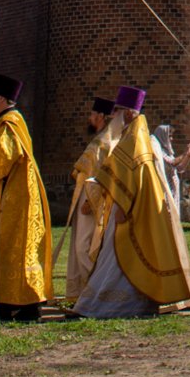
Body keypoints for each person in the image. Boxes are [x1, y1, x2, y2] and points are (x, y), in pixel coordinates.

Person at [74, 85, 190, 318]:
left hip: (128, 208)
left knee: (119, 257)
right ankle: (100, 303)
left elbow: (132, 176)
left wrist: (124, 207)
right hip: (126, 206)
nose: (113, 117)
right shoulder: (132, 136)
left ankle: (108, 305)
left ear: (128, 113)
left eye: (117, 112)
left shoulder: (135, 139)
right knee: (115, 256)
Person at [0, 73, 53, 320]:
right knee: (11, 253)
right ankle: (11, 303)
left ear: (2, 98)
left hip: (12, 201)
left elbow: (1, 160)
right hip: (10, 198)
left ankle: (10, 305)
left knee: (10, 252)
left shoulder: (10, 123)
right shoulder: (4, 122)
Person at [65, 96, 115, 307]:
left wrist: (91, 201)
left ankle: (92, 293)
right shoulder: (103, 138)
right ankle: (85, 293)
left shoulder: (104, 142)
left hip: (90, 200)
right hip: (84, 196)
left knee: (83, 246)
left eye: (92, 114)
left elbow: (102, 175)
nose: (89, 118)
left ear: (101, 116)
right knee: (82, 245)